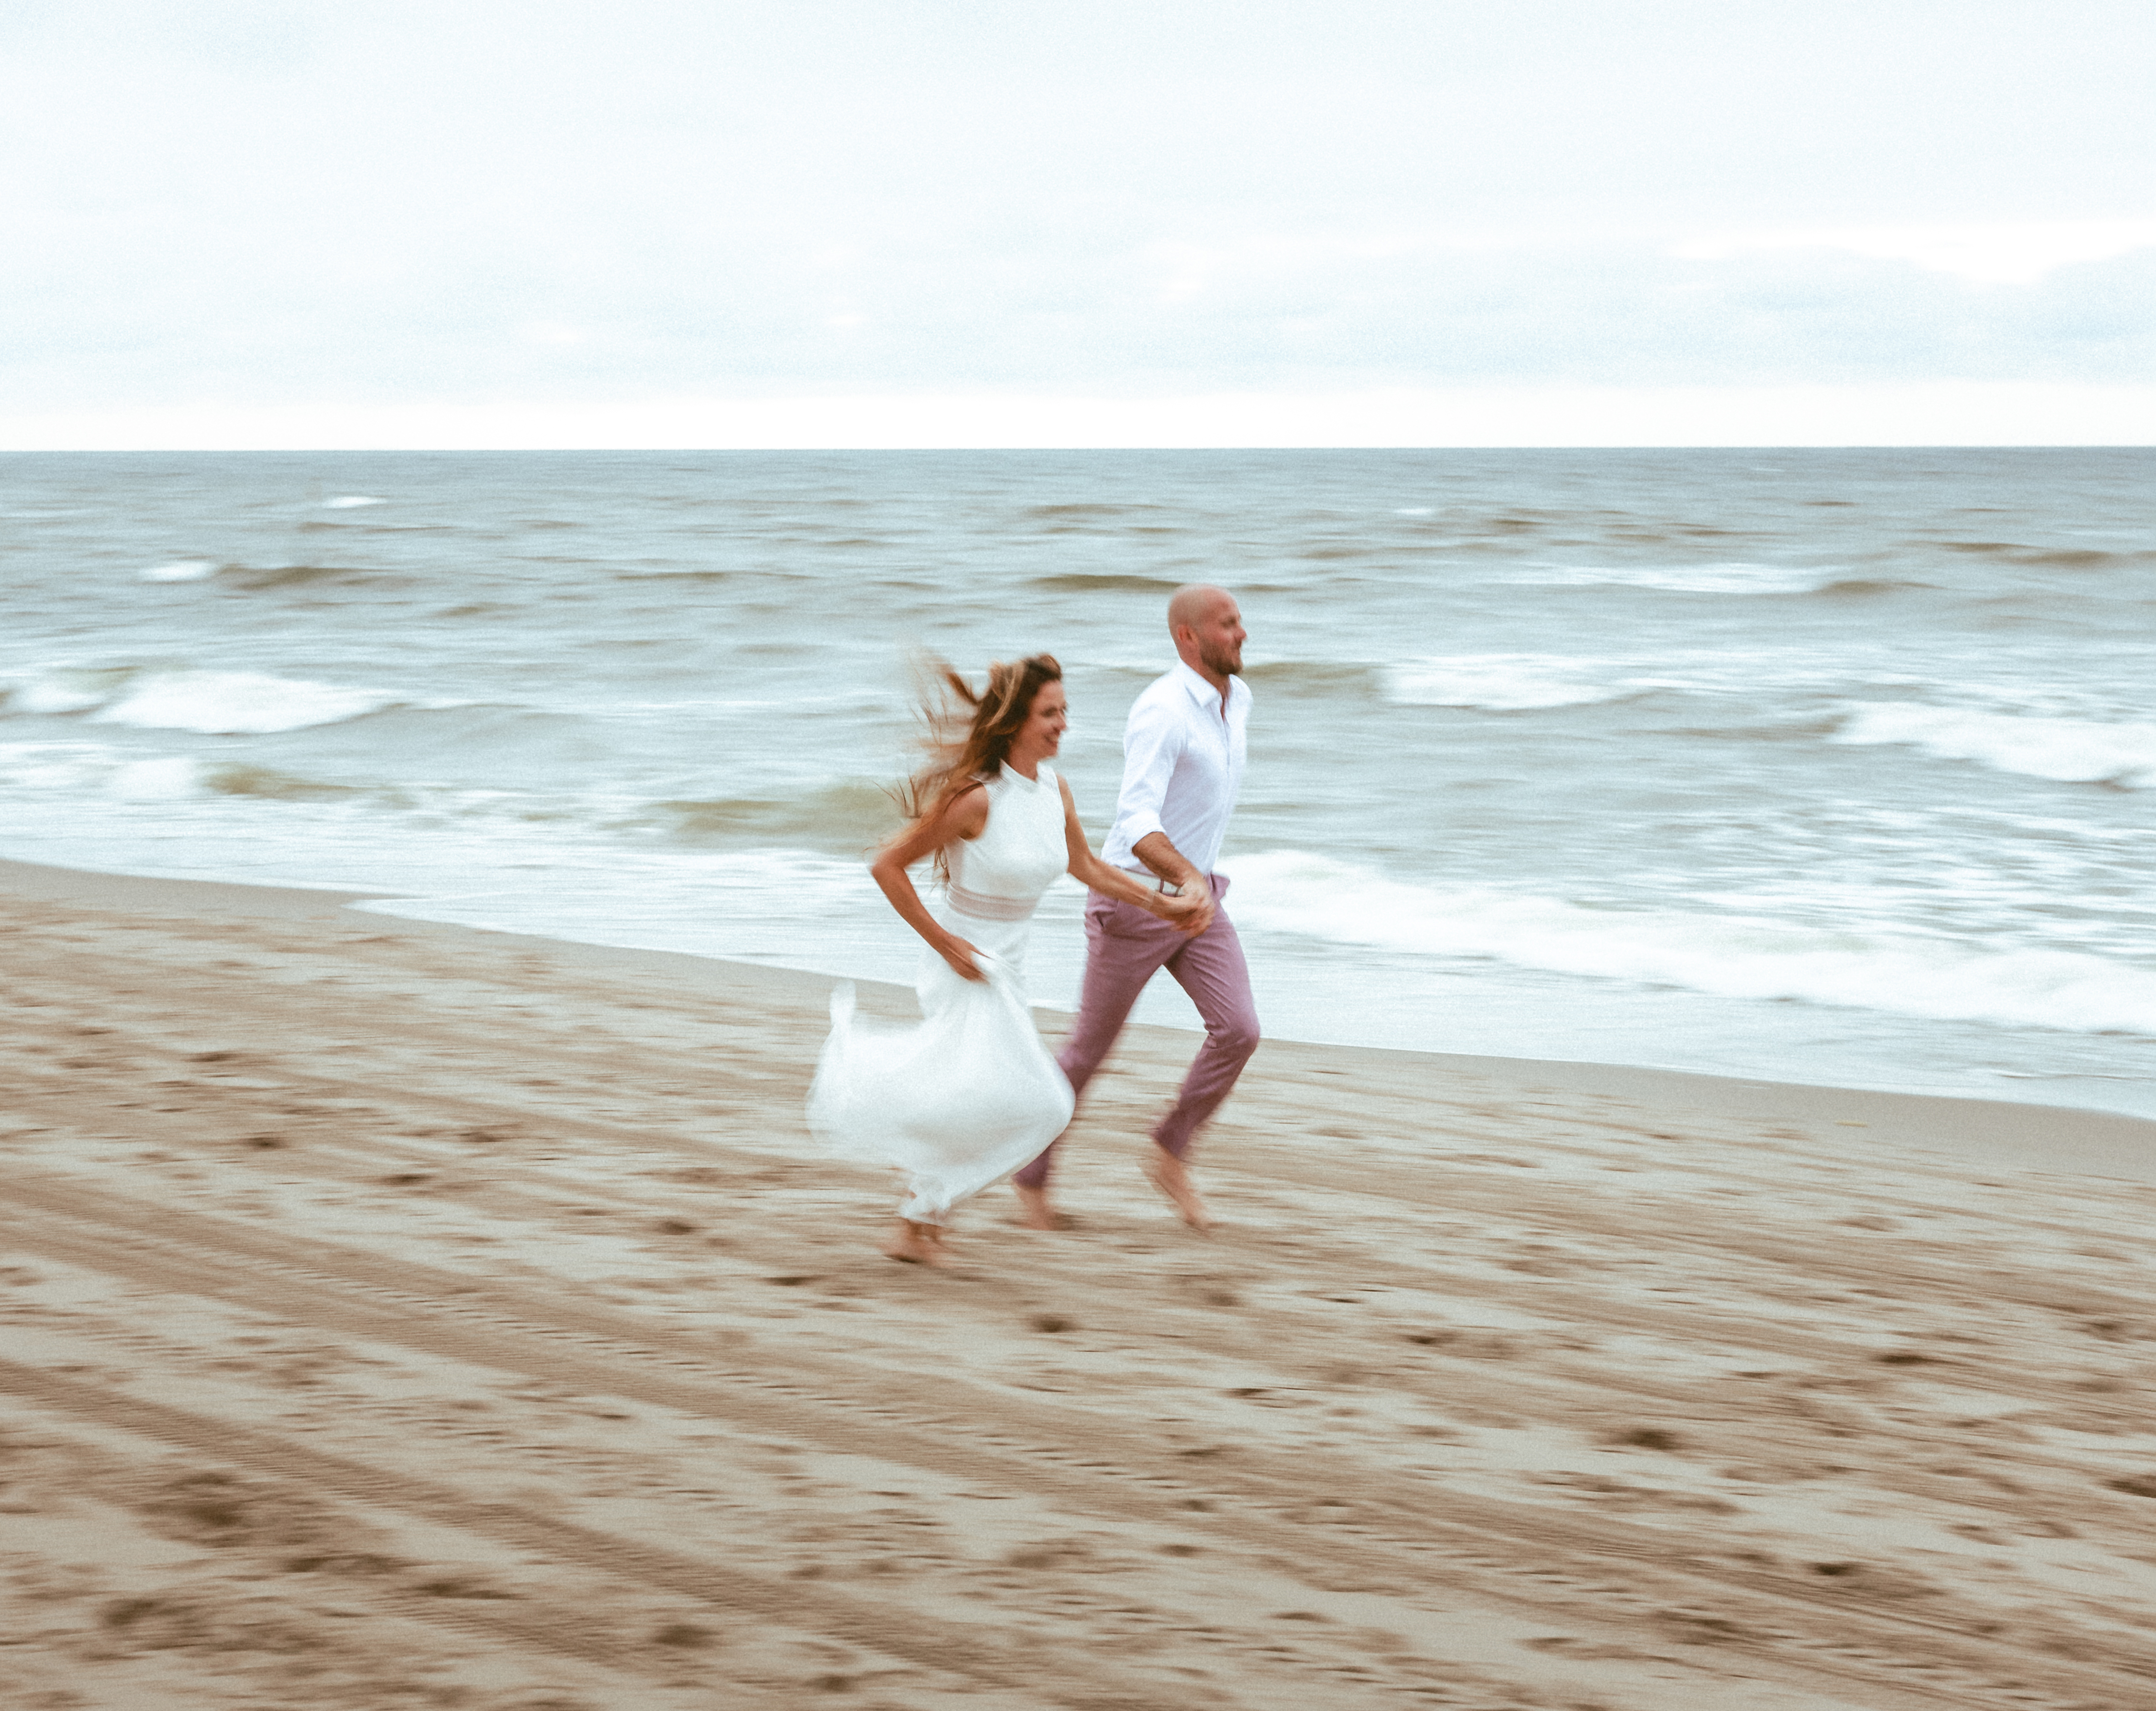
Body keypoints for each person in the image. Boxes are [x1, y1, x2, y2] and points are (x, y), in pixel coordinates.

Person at [807, 653, 1206, 1266]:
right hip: (968, 965)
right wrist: (946, 943)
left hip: (1011, 966)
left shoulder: (1054, 790)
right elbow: (887, 866)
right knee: (1043, 1103)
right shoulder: (975, 799)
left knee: (969, 1096)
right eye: (1050, 713)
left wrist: (1162, 904)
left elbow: (1089, 868)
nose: (1063, 724)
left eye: (1065, 711)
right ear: (1017, 720)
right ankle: (918, 1218)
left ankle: (918, 1225)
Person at [1012, 585, 1256, 1234]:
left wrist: (1196, 884)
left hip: (1196, 897)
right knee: (1088, 1052)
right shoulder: (1162, 711)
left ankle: (1168, 1151)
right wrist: (1180, 878)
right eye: (1226, 624)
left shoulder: (1239, 701)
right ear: (1187, 637)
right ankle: (1030, 1174)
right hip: (1134, 900)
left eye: (1239, 622)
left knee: (1239, 1030)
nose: (1241, 633)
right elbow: (1136, 821)